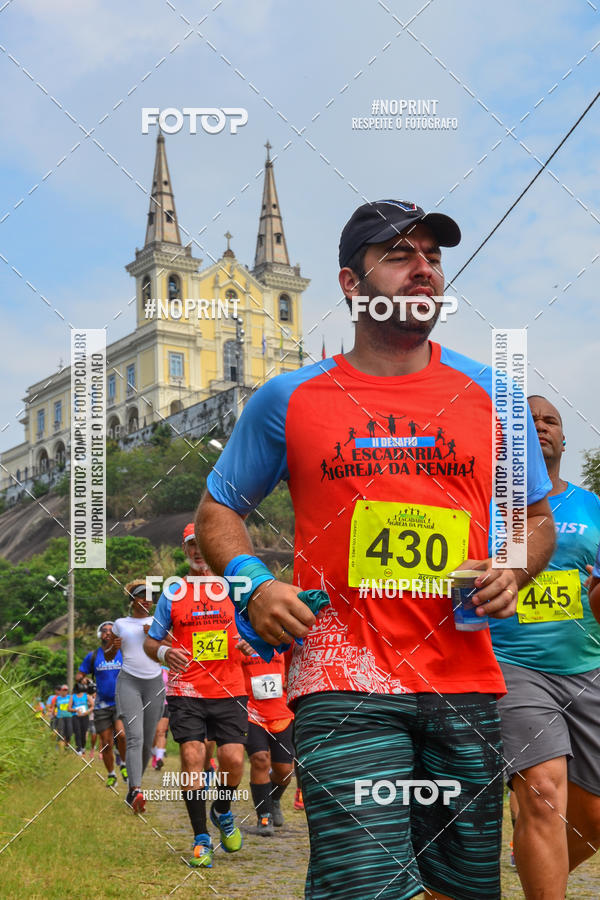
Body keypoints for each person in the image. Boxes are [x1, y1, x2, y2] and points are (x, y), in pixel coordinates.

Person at [195, 199, 556, 900]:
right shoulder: (288, 398)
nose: (423, 270)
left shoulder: (494, 394)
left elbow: (535, 520)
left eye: (433, 258)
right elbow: (220, 510)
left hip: (465, 681)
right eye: (399, 256)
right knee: (365, 885)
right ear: (351, 284)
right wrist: (254, 582)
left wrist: (514, 563)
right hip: (343, 679)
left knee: (463, 888)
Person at [491, 395, 600, 899]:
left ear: (563, 437)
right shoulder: (486, 504)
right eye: (528, 420)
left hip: (587, 669)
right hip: (512, 665)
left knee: (594, 819)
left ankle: (532, 851)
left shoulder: (592, 507)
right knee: (542, 790)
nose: (540, 426)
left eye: (550, 420)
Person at [144, 523, 247, 868]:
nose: (198, 551)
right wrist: (163, 654)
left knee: (233, 760)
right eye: (192, 544)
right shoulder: (173, 591)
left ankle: (222, 810)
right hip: (186, 689)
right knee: (192, 758)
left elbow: (259, 628)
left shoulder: (234, 587)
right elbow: (151, 641)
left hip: (230, 688)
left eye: (204, 544)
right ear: (185, 548)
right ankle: (201, 838)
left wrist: (252, 643)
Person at [105, 580, 165, 813]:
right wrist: (114, 647)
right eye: (142, 596)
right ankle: (136, 789)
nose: (147, 600)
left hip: (155, 684)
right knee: (135, 737)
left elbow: (175, 645)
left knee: (147, 742)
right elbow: (109, 655)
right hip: (129, 682)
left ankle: (133, 790)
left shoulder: (159, 621)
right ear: (133, 600)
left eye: (150, 596)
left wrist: (156, 636)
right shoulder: (120, 624)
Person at [238, 639, 295, 835]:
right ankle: (264, 816)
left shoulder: (282, 639)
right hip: (250, 712)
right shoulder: (239, 638)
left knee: (285, 770)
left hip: (281, 713)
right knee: (260, 760)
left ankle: (274, 798)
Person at [77, 622, 127, 788]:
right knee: (106, 743)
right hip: (101, 705)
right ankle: (111, 774)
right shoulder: (93, 656)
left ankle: (125, 764)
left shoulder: (124, 653)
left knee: (122, 735)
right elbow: (79, 675)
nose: (107, 633)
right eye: (104, 631)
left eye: (111, 631)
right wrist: (84, 680)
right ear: (100, 635)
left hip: (122, 701)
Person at [151, 666, 170, 770]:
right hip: (151, 704)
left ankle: (159, 758)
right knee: (153, 732)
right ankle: (154, 753)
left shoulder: (166, 670)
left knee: (161, 732)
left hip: (165, 704)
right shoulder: (146, 669)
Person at [68, 682, 92, 755]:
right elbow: (68, 708)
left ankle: (83, 747)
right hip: (76, 716)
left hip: (84, 716)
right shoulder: (73, 697)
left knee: (83, 733)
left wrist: (87, 712)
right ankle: (78, 749)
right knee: (77, 732)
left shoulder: (86, 696)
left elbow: (93, 705)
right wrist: (75, 710)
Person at [51, 684, 73, 749]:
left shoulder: (70, 697)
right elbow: (54, 707)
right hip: (60, 717)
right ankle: (57, 746)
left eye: (66, 690)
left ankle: (67, 746)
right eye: (63, 690)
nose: (64, 691)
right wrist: (53, 713)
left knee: (69, 732)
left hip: (69, 716)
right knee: (61, 732)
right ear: (61, 690)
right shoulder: (57, 698)